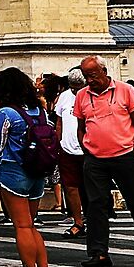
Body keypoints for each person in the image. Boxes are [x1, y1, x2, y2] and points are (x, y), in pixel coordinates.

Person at [73, 55, 134, 267]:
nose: (90, 80)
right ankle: (99, 253)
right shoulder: (82, 95)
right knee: (95, 206)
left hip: (124, 156)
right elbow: (81, 127)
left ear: (103, 71)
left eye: (92, 75)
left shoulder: (124, 90)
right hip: (95, 159)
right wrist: (86, 149)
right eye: (86, 77)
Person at [0, 67, 57, 267]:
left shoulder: (6, 113)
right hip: (38, 170)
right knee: (32, 225)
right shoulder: (40, 111)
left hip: (14, 170)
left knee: (22, 226)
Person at [49, 70, 87, 239]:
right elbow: (59, 122)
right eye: (72, 88)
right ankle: (77, 221)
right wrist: (58, 144)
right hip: (67, 149)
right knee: (70, 187)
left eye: (78, 87)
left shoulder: (90, 95)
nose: (75, 91)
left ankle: (93, 219)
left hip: (88, 149)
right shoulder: (64, 97)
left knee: (90, 187)